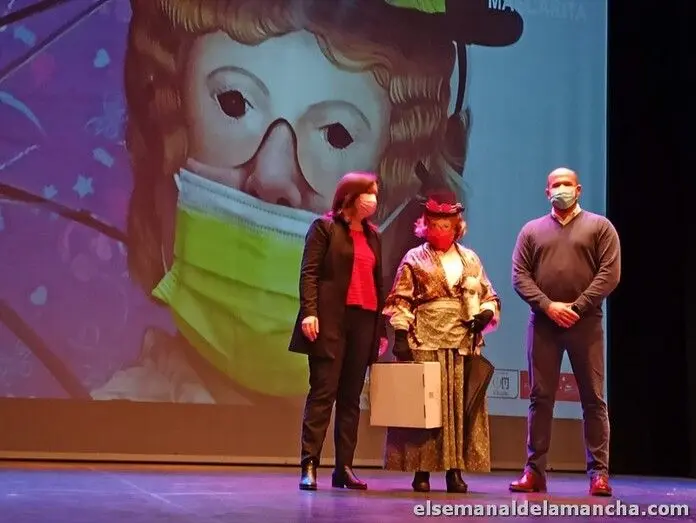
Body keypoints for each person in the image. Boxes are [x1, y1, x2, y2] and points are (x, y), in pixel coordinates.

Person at [510, 167, 621, 496]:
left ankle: (599, 474)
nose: (561, 189)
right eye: (556, 185)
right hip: (544, 324)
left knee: (593, 399)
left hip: (585, 325)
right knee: (540, 398)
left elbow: (609, 273)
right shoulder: (532, 230)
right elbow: (520, 276)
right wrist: (548, 306)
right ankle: (534, 472)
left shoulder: (600, 227)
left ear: (579, 189)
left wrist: (577, 307)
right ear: (547, 192)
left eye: (567, 184)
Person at [382, 191, 501, 493]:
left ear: (456, 226)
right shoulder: (414, 258)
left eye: (446, 225)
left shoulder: (470, 259)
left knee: (457, 407)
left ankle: (454, 470)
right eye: (434, 224)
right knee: (426, 407)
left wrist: (486, 314)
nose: (439, 230)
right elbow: (401, 299)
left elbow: (488, 295)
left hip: (461, 341)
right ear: (425, 225)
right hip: (425, 339)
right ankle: (421, 470)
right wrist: (400, 335)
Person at [289, 172, 388, 491]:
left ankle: (344, 467)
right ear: (351, 196)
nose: (374, 200)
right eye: (369, 193)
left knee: (350, 398)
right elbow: (309, 273)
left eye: (376, 193)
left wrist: (381, 330)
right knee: (323, 393)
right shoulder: (325, 228)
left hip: (364, 321)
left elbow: (378, 282)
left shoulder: (373, 236)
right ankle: (309, 464)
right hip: (332, 319)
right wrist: (310, 312)